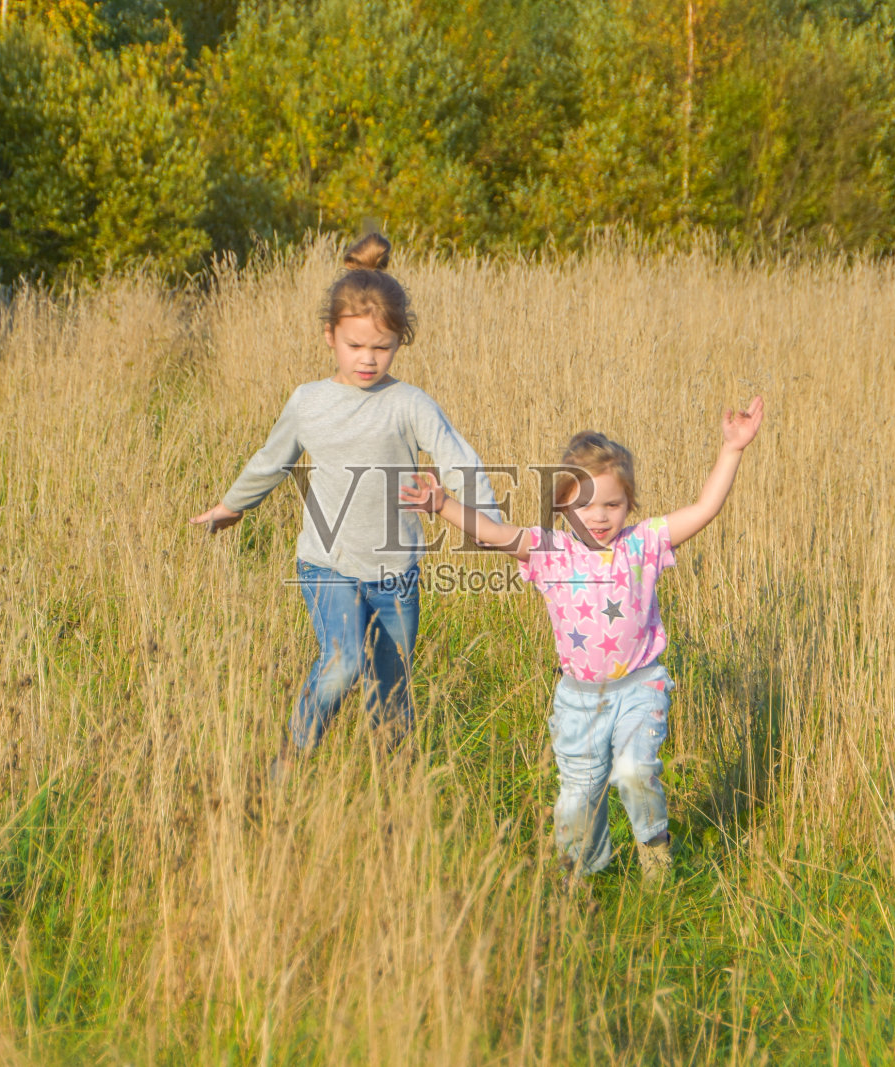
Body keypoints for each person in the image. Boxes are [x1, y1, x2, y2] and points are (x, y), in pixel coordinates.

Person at [400, 400, 764, 888]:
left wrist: (732, 449)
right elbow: (493, 534)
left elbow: (705, 509)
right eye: (584, 505)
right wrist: (442, 505)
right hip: (577, 699)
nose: (599, 516)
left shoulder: (643, 544)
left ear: (629, 505)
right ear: (562, 507)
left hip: (640, 687)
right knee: (579, 796)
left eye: (612, 504)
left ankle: (654, 851)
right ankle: (584, 879)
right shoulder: (550, 551)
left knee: (636, 772)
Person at [192, 234, 498, 753]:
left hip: (396, 573)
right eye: (356, 346)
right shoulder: (308, 401)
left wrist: (493, 524)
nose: (368, 359)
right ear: (329, 335)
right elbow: (273, 459)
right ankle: (292, 755)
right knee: (343, 663)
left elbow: (458, 458)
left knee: (392, 696)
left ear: (400, 342)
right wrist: (231, 507)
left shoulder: (409, 403)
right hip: (326, 562)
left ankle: (394, 789)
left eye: (382, 347)